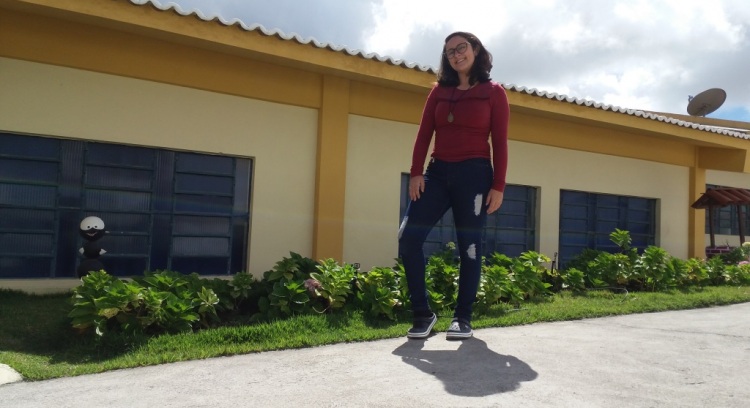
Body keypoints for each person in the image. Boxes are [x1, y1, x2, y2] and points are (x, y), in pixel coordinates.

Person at [398, 31, 510, 340]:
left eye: (462, 47)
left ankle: (462, 318)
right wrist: (416, 173)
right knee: (408, 238)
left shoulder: (494, 93)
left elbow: (500, 143)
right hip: (436, 174)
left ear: (475, 50)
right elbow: (424, 134)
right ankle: (423, 314)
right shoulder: (438, 92)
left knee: (470, 247)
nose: (456, 54)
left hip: (475, 175)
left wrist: (498, 185)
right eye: (450, 51)